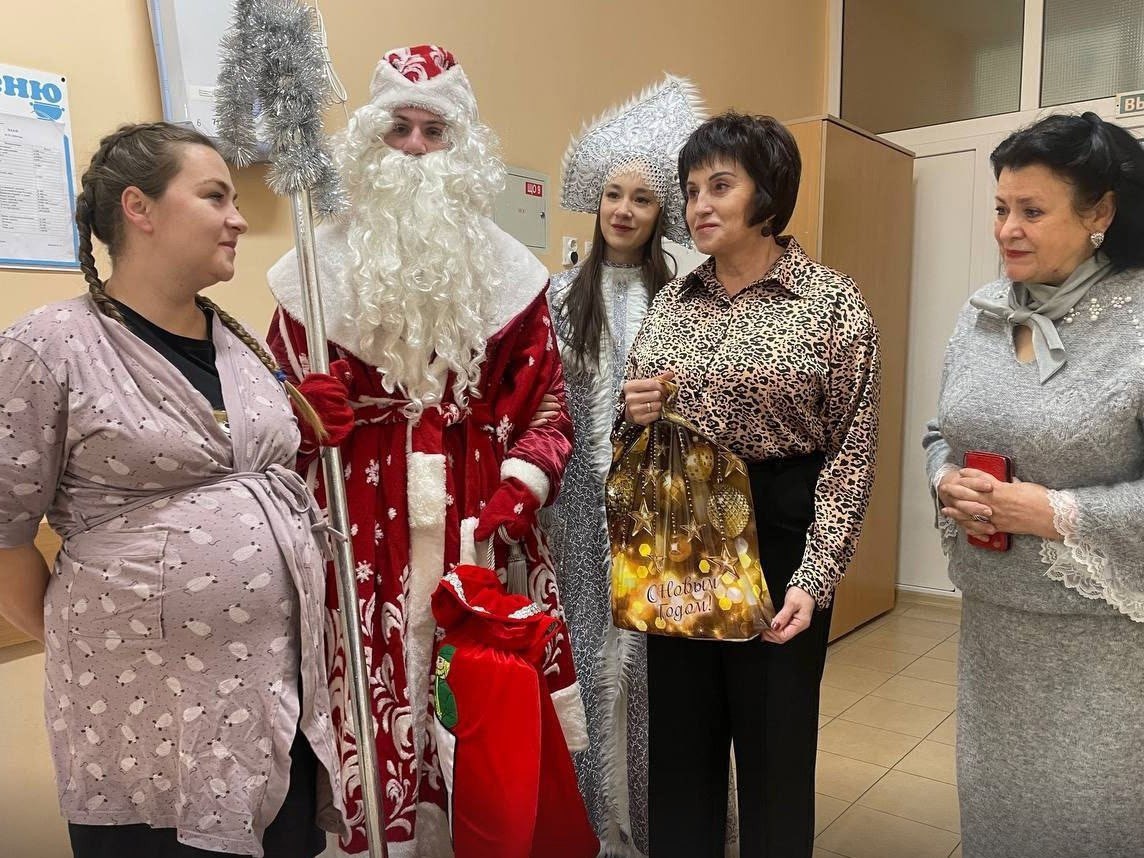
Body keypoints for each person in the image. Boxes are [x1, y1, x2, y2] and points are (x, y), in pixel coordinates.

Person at [265, 45, 589, 856]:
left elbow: (551, 404)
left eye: (433, 130)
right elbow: (264, 407)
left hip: (477, 525)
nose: (414, 146)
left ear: (461, 145)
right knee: (367, 698)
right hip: (358, 526)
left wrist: (522, 486)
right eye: (399, 128)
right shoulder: (310, 276)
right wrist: (300, 412)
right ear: (371, 141)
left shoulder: (513, 276)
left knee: (472, 707)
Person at [0, 122, 349, 857]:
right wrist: (95, 633)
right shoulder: (49, 346)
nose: (239, 219)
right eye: (216, 196)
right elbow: (3, 531)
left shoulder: (240, 346)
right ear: (140, 208)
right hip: (145, 720)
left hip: (273, 703)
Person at [619, 112, 881, 857]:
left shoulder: (832, 304)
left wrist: (817, 574)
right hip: (681, 529)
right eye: (691, 190)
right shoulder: (672, 302)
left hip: (779, 528)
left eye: (720, 186)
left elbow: (852, 451)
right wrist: (633, 413)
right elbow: (629, 435)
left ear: (767, 193)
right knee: (680, 743)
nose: (698, 205)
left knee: (775, 745)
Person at [924, 112, 1144, 858]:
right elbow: (941, 431)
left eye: (1031, 211)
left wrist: (1056, 512)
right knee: (997, 814)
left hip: (1102, 644)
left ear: (1100, 214)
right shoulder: (982, 314)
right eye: (1000, 208)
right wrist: (944, 480)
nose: (1007, 230)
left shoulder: (1137, 321)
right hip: (993, 628)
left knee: (1086, 822)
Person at [545, 74, 703, 857]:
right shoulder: (555, 297)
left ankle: (653, 822)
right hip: (577, 511)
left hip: (660, 509)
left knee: (652, 669)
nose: (624, 210)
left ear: (659, 211)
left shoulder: (687, 299)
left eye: (641, 198)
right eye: (613, 194)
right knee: (585, 655)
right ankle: (588, 824)